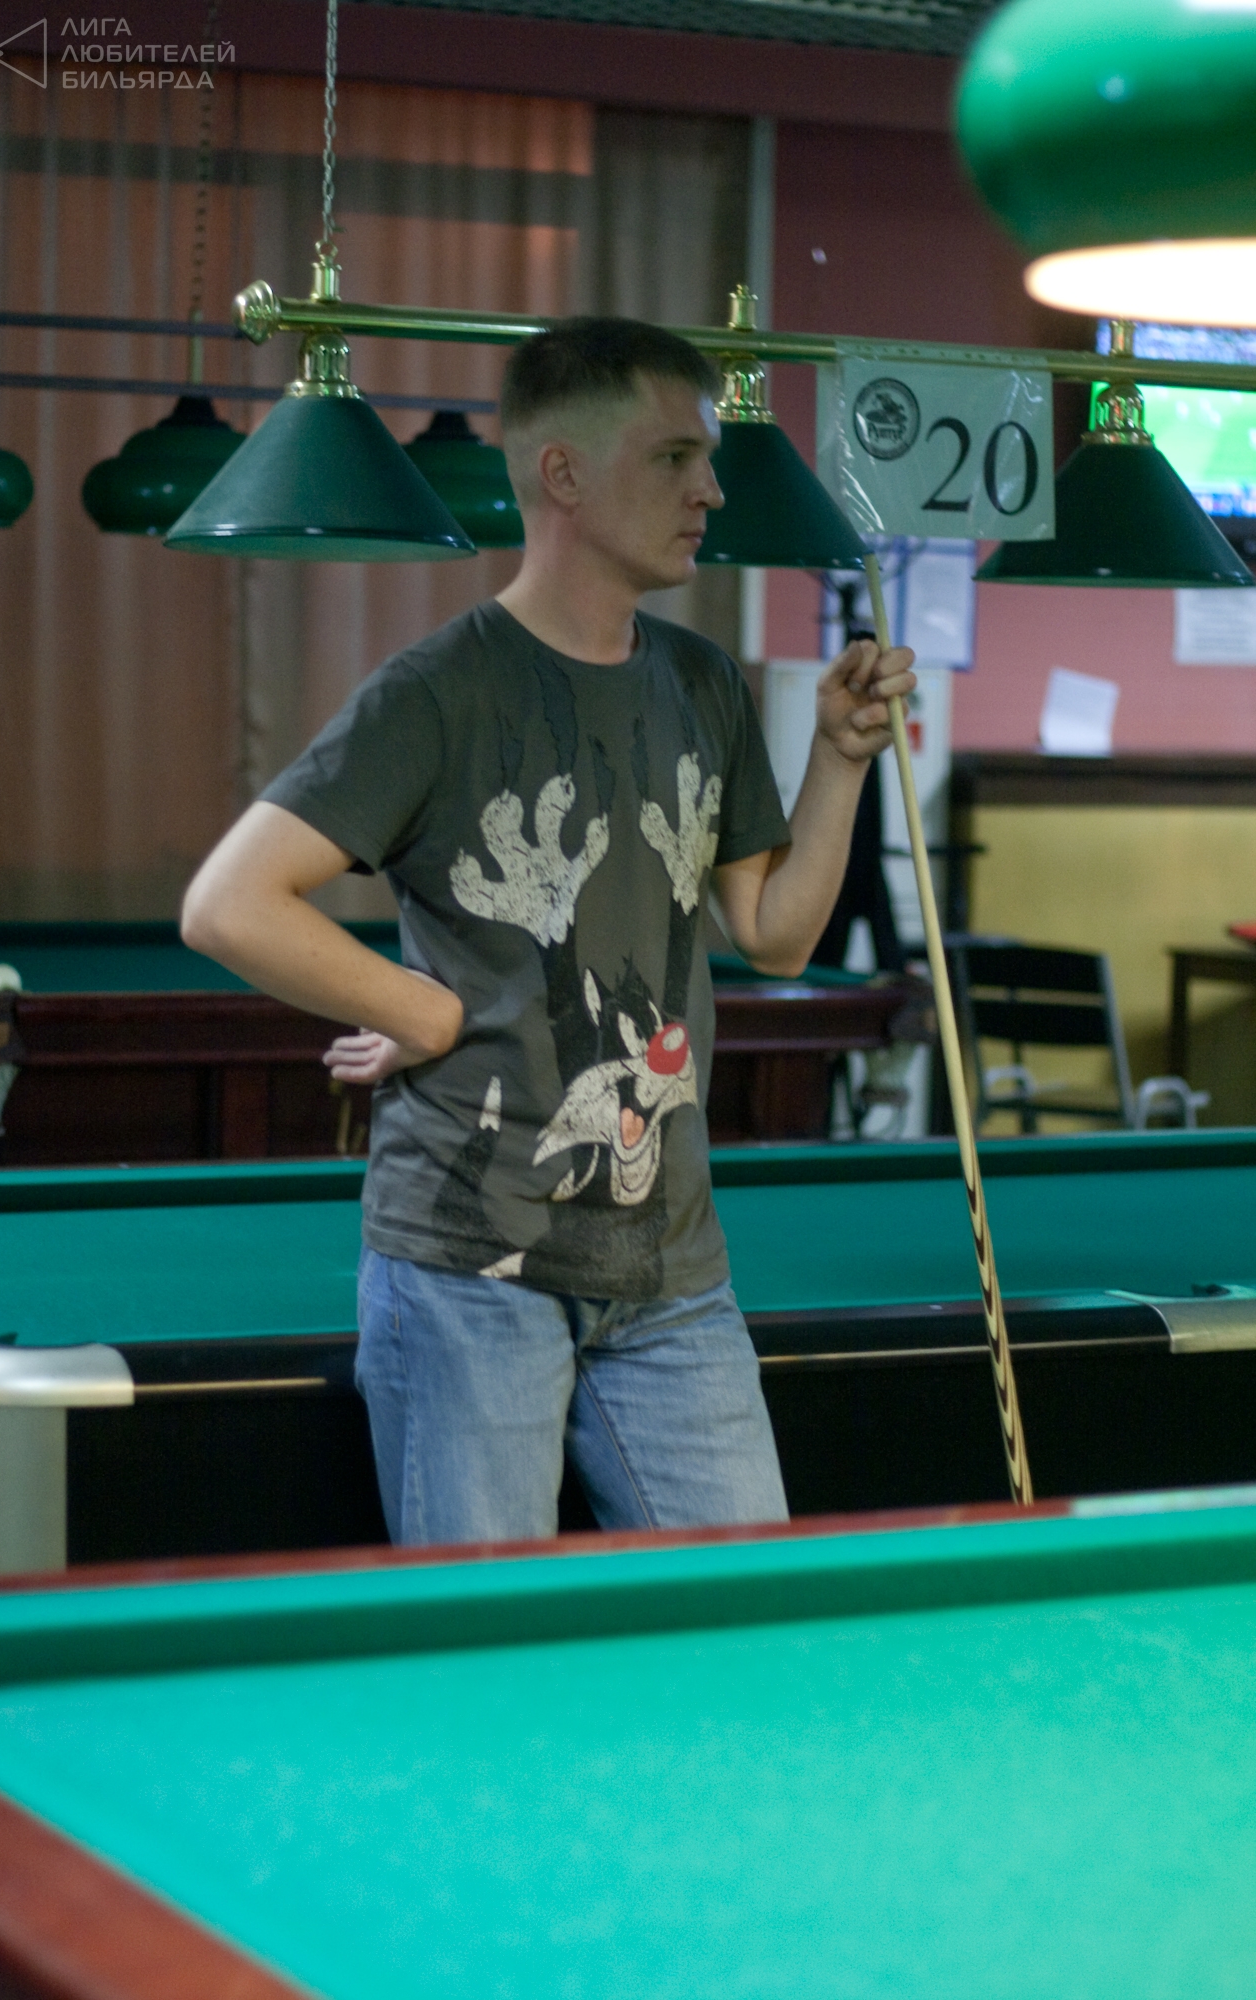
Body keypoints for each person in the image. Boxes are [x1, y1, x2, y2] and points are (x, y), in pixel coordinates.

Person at [181, 317, 915, 1546]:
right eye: (674, 457)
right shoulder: (435, 690)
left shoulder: (705, 683)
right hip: (469, 1265)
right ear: (562, 474)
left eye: (707, 458)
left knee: (750, 1614)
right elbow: (227, 902)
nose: (710, 488)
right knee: (484, 1636)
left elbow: (775, 936)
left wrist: (839, 762)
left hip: (673, 1270)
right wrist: (425, 1008)